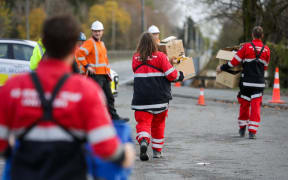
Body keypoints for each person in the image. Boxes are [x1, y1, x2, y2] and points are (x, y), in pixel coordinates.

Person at [0, 15, 134, 180]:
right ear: (74, 49)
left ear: (44, 44)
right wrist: (126, 154)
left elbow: (2, 144)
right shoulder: (87, 91)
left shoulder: (12, 88)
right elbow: (105, 147)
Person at [132, 32, 184, 161]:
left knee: (143, 123)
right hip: (159, 100)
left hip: (141, 100)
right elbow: (172, 75)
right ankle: (157, 151)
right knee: (158, 124)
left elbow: (136, 70)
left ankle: (144, 140)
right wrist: (181, 75)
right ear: (155, 43)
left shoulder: (135, 57)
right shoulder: (161, 56)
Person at [216, 26, 270, 139]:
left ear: (252, 35)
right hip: (259, 83)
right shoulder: (267, 49)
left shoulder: (246, 47)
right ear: (262, 36)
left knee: (244, 104)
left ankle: (242, 128)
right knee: (255, 107)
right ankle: (252, 132)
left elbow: (234, 62)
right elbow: (265, 67)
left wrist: (222, 67)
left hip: (246, 83)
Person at [76, 20, 128, 122]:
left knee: (110, 97)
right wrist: (87, 66)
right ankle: (92, 118)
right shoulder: (89, 43)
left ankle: (114, 117)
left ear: (102, 31)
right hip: (95, 76)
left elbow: (105, 60)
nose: (97, 33)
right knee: (95, 99)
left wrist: (108, 72)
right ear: (92, 31)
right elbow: (80, 54)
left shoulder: (102, 44)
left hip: (104, 75)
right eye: (95, 31)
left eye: (99, 31)